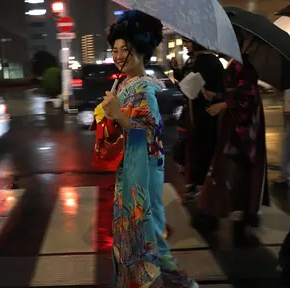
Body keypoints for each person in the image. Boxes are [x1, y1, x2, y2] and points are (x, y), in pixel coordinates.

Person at [100, 10, 198, 287]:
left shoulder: (143, 87)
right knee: (141, 230)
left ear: (141, 50)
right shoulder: (126, 84)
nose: (118, 56)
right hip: (131, 165)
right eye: (115, 50)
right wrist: (108, 116)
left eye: (125, 49)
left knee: (149, 230)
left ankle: (177, 282)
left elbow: (151, 131)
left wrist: (118, 115)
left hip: (143, 169)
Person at [194, 50, 269, 239]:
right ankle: (226, 213)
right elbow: (235, 94)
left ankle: (221, 214)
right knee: (228, 171)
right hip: (233, 124)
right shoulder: (235, 63)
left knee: (231, 171)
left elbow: (248, 97)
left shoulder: (243, 65)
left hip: (241, 128)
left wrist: (224, 104)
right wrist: (218, 97)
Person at [179, 39, 225, 202]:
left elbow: (220, 89)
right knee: (194, 148)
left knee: (204, 149)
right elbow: (186, 85)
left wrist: (212, 95)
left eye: (187, 41)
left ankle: (202, 185)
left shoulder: (208, 61)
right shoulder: (196, 60)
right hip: (195, 113)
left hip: (206, 113)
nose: (185, 45)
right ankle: (196, 183)